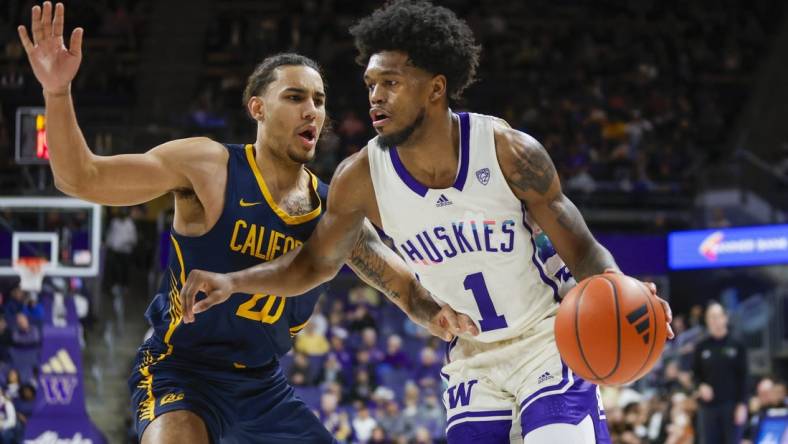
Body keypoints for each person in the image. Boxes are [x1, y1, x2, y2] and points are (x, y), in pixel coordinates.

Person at [180, 1, 674, 443]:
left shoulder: (507, 151)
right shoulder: (361, 177)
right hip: (470, 358)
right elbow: (314, 264)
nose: (375, 97)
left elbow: (583, 249)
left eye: (391, 83)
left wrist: (623, 296)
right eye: (371, 84)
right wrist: (233, 281)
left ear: (436, 88)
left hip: (546, 338)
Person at [17, 2, 477, 443]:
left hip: (262, 387)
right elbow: (80, 177)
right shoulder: (208, 167)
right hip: (180, 369)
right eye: (295, 97)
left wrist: (444, 315)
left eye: (319, 100)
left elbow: (406, 289)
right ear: (257, 108)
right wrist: (57, 92)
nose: (312, 110)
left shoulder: (331, 211)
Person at [692, 301, 748, 444]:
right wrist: (700, 386)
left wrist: (742, 405)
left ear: (725, 318)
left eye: (718, 316)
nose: (715, 320)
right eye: (711, 317)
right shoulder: (701, 346)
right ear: (707, 320)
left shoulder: (737, 344)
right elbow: (695, 375)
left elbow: (744, 377)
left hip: (731, 406)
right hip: (708, 408)